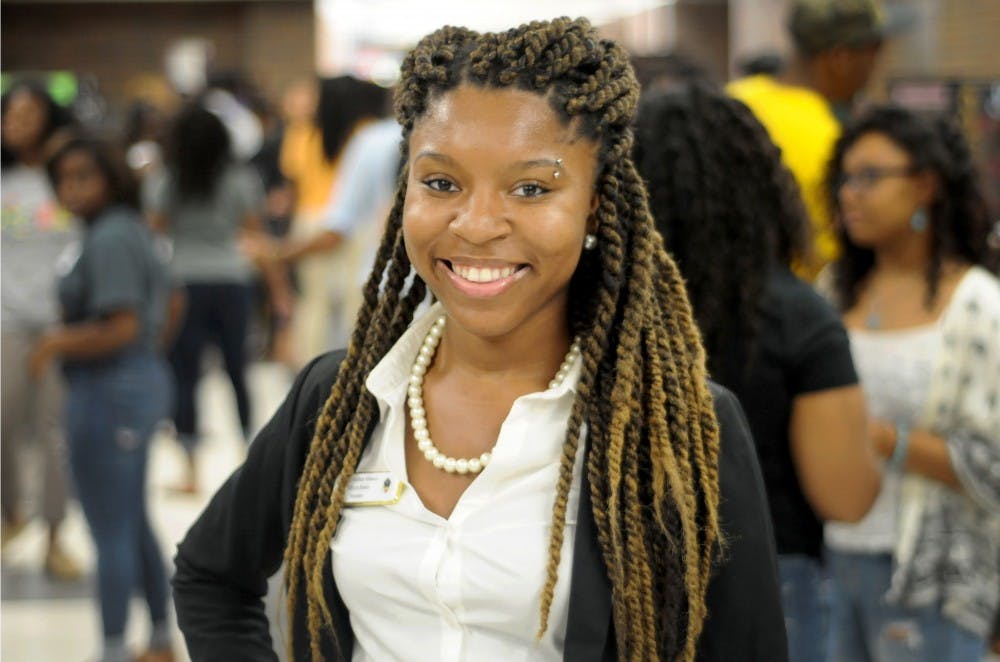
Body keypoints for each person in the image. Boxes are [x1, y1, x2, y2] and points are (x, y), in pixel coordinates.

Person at [173, 18, 787, 661]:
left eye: (531, 189)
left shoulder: (672, 426)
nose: (478, 224)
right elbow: (211, 575)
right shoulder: (340, 399)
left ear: (596, 205)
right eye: (441, 183)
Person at [633, 81, 882, 662]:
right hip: (778, 580)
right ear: (761, 184)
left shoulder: (607, 307)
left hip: (628, 570)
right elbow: (845, 497)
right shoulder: (797, 316)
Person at [823, 106, 1000, 661]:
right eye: (845, 178)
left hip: (933, 579)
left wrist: (882, 439)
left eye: (871, 177)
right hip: (832, 557)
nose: (851, 194)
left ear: (925, 185)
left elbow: (993, 463)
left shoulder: (977, 307)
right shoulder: (834, 290)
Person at [31, 136, 176, 662]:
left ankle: (113, 649)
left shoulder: (112, 235)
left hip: (109, 389)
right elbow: (168, 302)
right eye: (63, 179)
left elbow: (122, 324)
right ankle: (159, 639)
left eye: (83, 177)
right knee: (132, 519)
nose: (71, 189)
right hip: (130, 383)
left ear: (112, 178)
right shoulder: (120, 230)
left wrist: (53, 343)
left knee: (109, 530)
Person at [144, 102, 278, 493]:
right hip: (232, 282)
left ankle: (190, 472)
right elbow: (256, 237)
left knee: (184, 376)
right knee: (238, 371)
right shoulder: (240, 179)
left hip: (182, 285)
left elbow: (153, 233)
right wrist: (279, 290)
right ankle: (249, 459)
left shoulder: (166, 179)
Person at [727, 0, 910, 278]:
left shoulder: (735, 97)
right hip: (796, 307)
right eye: (873, 55)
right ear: (841, 59)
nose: (875, 69)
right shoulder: (833, 144)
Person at [0, 79, 83, 580]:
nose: (14, 123)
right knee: (3, 425)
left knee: (55, 432)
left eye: (26, 114)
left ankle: (55, 534)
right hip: (6, 322)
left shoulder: (71, 176)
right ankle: (11, 517)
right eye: (8, 114)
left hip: (61, 327)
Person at [279, 75, 390, 363]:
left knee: (314, 305)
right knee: (358, 302)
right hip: (360, 224)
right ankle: (359, 365)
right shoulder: (368, 133)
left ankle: (312, 370)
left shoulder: (302, 134)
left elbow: (292, 184)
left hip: (310, 220)